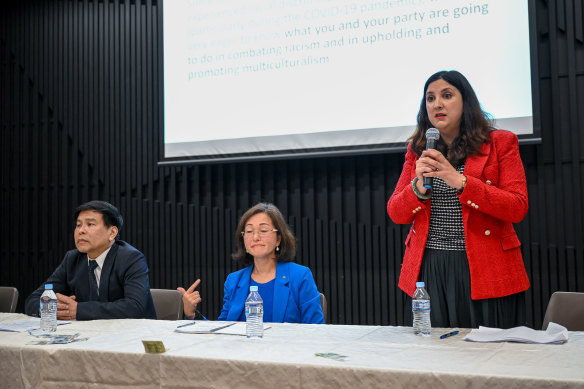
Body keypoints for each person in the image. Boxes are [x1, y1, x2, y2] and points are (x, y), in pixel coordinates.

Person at [387, 70, 530, 329]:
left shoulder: (500, 143)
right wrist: (417, 187)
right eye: (430, 98)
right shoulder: (418, 150)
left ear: (466, 102)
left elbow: (517, 207)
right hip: (430, 268)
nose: (437, 104)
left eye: (447, 95)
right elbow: (396, 212)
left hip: (485, 267)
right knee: (437, 357)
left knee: (490, 357)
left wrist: (462, 182)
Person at [179, 202, 324, 323]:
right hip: (241, 355)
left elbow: (316, 330)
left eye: (263, 230)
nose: (255, 237)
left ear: (278, 238)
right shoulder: (234, 281)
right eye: (249, 231)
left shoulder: (300, 276)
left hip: (284, 355)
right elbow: (221, 331)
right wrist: (192, 315)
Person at [25, 200, 157, 320]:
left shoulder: (131, 258)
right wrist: (52, 309)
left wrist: (78, 310)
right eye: (78, 225)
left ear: (112, 233)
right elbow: (33, 300)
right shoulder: (72, 259)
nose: (81, 231)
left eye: (90, 224)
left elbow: (134, 307)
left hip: (132, 337)